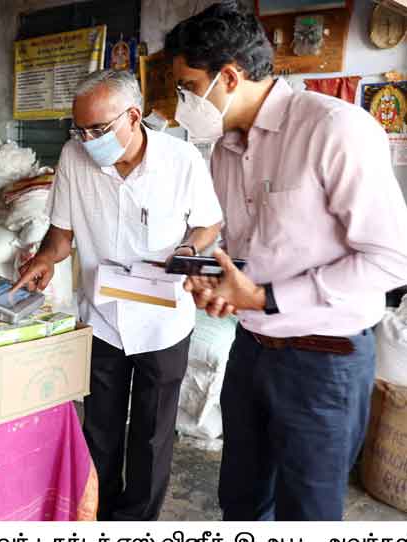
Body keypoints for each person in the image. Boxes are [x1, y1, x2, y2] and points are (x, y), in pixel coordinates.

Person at [165, 2, 407, 521]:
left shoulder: (335, 129)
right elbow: (245, 242)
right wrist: (217, 277)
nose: (180, 102)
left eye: (187, 87)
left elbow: (392, 258)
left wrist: (267, 296)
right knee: (243, 501)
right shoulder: (224, 149)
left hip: (325, 363)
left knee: (309, 511)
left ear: (229, 76)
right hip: (252, 351)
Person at [13, 69, 223, 520]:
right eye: (80, 130)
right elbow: (61, 233)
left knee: (151, 435)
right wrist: (45, 260)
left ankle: (139, 521)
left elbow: (209, 222)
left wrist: (188, 248)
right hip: (103, 317)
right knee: (101, 429)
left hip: (163, 320)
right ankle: (98, 514)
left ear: (133, 115)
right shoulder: (73, 156)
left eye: (98, 129)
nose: (88, 140)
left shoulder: (182, 159)